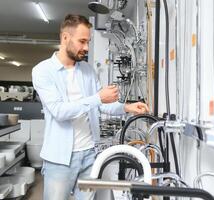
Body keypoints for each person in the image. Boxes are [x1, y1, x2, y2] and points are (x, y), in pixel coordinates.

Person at [32, 14, 149, 200]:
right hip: (59, 159)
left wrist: (127, 107)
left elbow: (101, 105)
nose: (86, 48)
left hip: (89, 154)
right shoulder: (42, 71)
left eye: (88, 42)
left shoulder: (86, 70)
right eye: (82, 41)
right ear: (65, 38)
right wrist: (97, 98)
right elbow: (59, 111)